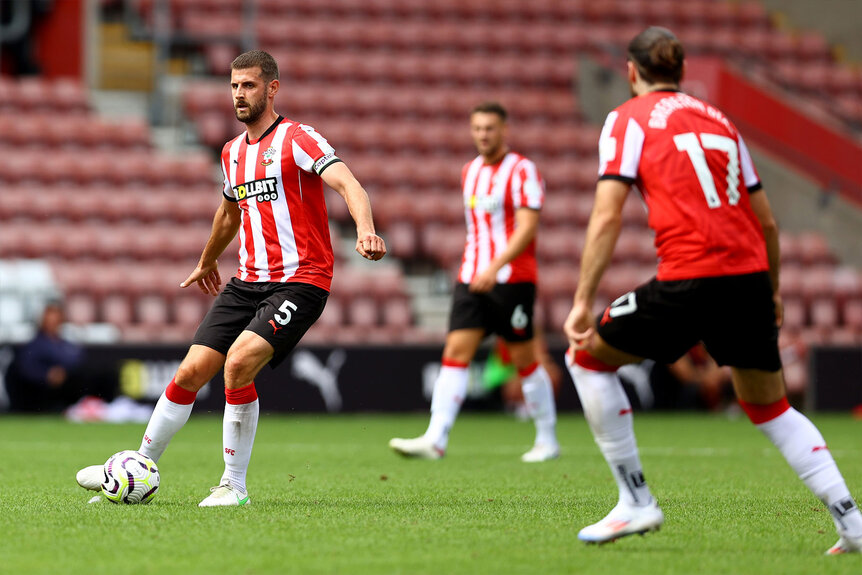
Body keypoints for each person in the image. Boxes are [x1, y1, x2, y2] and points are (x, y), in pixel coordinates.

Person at [562, 27, 862, 554]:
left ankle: (635, 503)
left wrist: (582, 299)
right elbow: (766, 223)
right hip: (746, 278)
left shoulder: (626, 120)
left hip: (690, 277)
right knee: (771, 409)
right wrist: (771, 292)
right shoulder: (721, 121)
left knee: (586, 357)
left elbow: (608, 213)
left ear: (631, 72)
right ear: (679, 73)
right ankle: (853, 524)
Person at [75, 50, 386, 506]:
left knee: (238, 364)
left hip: (301, 279)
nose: (239, 94)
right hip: (246, 281)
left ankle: (233, 485)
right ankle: (135, 466)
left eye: (249, 85)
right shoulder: (231, 152)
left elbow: (348, 183)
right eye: (234, 86)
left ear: (272, 88)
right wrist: (206, 260)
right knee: (191, 370)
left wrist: (367, 230)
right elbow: (228, 212)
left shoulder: (299, 138)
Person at [389, 102, 559, 462]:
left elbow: (528, 228)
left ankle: (547, 439)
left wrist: (495, 265)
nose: (483, 134)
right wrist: (476, 267)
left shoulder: (523, 170)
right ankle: (435, 438)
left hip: (511, 279)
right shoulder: (470, 171)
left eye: (490, 128)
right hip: (472, 277)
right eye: (478, 128)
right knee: (454, 353)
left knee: (525, 358)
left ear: (504, 130)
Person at [7, 301, 114, 412]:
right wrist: (47, 374)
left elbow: (78, 362)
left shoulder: (67, 345)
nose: (53, 322)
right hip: (41, 393)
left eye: (56, 318)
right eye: (50, 318)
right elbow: (26, 368)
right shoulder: (33, 346)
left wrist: (63, 373)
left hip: (66, 389)